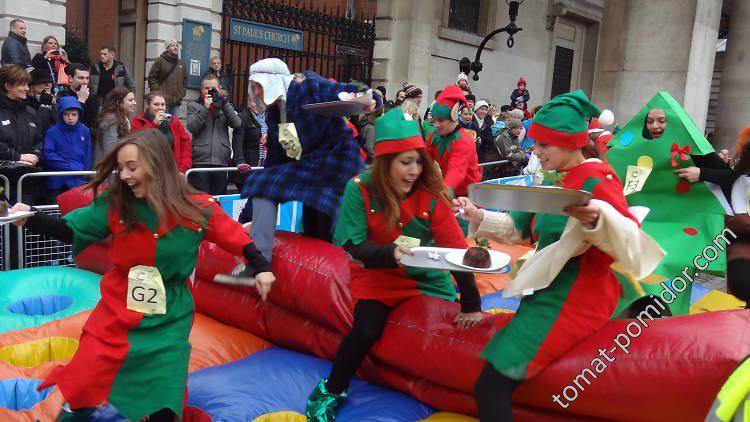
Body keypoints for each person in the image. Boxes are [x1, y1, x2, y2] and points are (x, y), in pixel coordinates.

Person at [10, 129, 275, 422]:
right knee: (87, 374)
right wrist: (32, 217)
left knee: (164, 390)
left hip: (168, 315)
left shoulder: (197, 207)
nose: (124, 175)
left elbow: (234, 236)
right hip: (118, 308)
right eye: (121, 168)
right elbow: (74, 229)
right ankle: (76, 413)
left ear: (156, 164)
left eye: (132, 167)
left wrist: (261, 267)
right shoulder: (117, 203)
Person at [459, 90, 663, 420]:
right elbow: (521, 228)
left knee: (490, 386)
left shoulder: (598, 180)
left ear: (569, 142)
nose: (534, 151)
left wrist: (598, 219)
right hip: (547, 293)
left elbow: (629, 238)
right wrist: (479, 217)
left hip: (576, 299)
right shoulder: (557, 179)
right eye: (535, 144)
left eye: (543, 145)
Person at [305, 109, 482, 420]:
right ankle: (332, 388)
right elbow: (351, 243)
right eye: (405, 162)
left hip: (427, 278)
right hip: (377, 277)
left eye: (418, 161)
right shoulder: (360, 188)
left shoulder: (430, 193)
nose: (413, 170)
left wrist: (470, 302)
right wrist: (391, 255)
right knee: (365, 330)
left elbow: (456, 250)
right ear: (386, 163)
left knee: (442, 332)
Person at [607, 93, 731, 316]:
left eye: (662, 120)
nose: (656, 126)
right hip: (642, 222)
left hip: (682, 225)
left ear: (672, 123)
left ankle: (652, 313)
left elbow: (729, 176)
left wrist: (701, 172)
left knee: (660, 263)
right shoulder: (629, 151)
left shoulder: (693, 150)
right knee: (620, 259)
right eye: (650, 121)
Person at [240, 58, 377, 262]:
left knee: (333, 231)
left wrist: (369, 95)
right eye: (253, 88)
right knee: (263, 182)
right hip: (311, 168)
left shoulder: (307, 87)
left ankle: (350, 271)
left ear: (273, 82)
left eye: (258, 87)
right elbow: (274, 162)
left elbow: (352, 87)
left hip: (338, 164)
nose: (256, 93)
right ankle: (259, 264)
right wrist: (246, 220)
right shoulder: (275, 115)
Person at [424, 85, 481, 233]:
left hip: (468, 200)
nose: (436, 125)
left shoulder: (464, 141)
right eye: (434, 120)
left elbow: (457, 172)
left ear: (454, 117)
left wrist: (441, 196)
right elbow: (423, 162)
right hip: (448, 193)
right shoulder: (434, 137)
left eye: (441, 121)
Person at [186, 73, 240, 195]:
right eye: (206, 88)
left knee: (218, 202)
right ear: (201, 89)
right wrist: (205, 108)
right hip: (200, 162)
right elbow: (193, 127)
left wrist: (224, 103)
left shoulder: (226, 106)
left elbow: (237, 123)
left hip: (220, 161)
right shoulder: (193, 105)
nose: (210, 91)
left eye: (213, 88)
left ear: (219, 88)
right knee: (201, 202)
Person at [0, 64, 44, 203]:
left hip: (26, 182)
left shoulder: (31, 112)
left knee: (24, 222)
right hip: (3, 182)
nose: (27, 88)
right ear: (8, 86)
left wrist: (35, 155)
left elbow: (39, 139)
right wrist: (17, 157)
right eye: (23, 84)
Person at [131, 92, 191, 173]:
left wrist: (182, 169)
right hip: (148, 171)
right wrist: (154, 124)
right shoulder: (138, 121)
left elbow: (185, 145)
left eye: (163, 104)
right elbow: (137, 143)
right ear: (148, 105)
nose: (160, 108)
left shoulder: (174, 121)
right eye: (156, 104)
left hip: (171, 171)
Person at [43, 96, 91, 196]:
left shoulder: (84, 131)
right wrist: (71, 167)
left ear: (79, 115)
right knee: (56, 210)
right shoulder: (52, 132)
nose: (70, 118)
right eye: (66, 114)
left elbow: (88, 154)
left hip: (78, 180)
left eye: (74, 114)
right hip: (58, 181)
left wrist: (84, 173)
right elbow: (48, 154)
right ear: (61, 114)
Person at [94, 87, 136, 164]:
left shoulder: (124, 118)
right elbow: (110, 148)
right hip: (107, 169)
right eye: (130, 100)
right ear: (118, 102)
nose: (134, 103)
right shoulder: (110, 119)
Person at [147, 40, 187, 116]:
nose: (175, 47)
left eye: (176, 46)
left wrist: (182, 93)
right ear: (167, 48)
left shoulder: (181, 63)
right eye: (172, 46)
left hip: (176, 102)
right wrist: (158, 93)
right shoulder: (160, 61)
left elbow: (185, 79)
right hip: (163, 103)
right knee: (162, 124)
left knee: (175, 126)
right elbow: (152, 78)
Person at [57, 63, 101, 128]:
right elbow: (68, 122)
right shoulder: (63, 96)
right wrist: (81, 101)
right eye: (81, 78)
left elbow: (94, 123)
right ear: (70, 78)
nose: (85, 82)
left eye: (87, 78)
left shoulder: (93, 98)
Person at [27, 68, 56, 136]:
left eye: (50, 82)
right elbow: (38, 127)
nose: (48, 85)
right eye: (43, 82)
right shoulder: (26, 103)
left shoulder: (55, 100)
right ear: (32, 85)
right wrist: (44, 105)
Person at [472, 100, 494, 170]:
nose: (484, 112)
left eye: (485, 110)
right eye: (482, 109)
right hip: (470, 153)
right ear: (476, 109)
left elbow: (490, 141)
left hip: (481, 155)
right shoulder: (470, 120)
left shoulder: (486, 124)